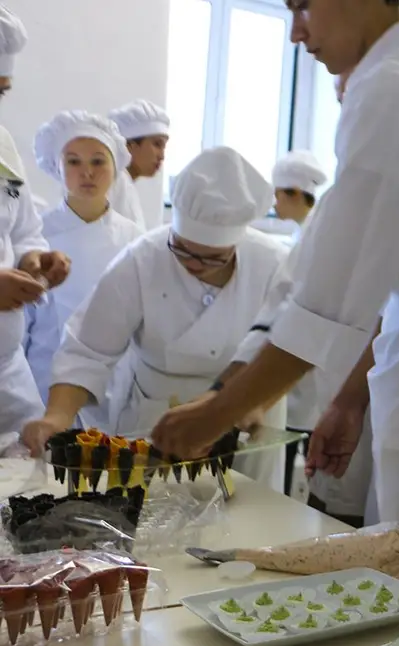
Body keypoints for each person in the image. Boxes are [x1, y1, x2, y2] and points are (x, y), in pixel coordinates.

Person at [150, 0, 399, 571]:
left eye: (301, 7)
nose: (295, 33)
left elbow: (329, 297)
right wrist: (347, 400)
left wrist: (219, 412)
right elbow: (396, 282)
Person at [20, 146, 290, 492]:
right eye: (182, 249)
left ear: (237, 244)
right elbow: (87, 350)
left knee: (249, 525)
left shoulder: (275, 265)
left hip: (248, 414)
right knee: (154, 518)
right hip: (157, 416)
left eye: (210, 259)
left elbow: (293, 344)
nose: (192, 264)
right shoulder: (141, 260)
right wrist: (57, 416)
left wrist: (253, 402)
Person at [25, 112, 145, 422]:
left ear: (115, 166)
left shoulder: (134, 238)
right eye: (74, 162)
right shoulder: (36, 234)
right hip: (44, 379)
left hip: (115, 381)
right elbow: (21, 321)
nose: (87, 173)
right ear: (57, 167)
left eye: (97, 161)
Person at [0, 5, 71, 438]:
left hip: (7, 372)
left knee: (30, 481)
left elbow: (21, 225)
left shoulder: (1, 143)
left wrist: (35, 259)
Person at [107, 100, 170, 231]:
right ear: (129, 145)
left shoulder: (123, 182)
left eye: (164, 147)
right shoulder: (117, 183)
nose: (162, 156)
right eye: (157, 144)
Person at [251, 150, 328, 245]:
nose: (273, 204)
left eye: (277, 196)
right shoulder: (305, 228)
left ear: (296, 193)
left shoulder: (318, 233)